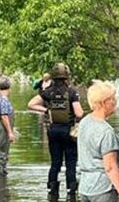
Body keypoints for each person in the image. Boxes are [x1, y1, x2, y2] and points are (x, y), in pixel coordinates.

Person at [28, 63, 84, 195]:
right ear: (67, 77)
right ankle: (71, 188)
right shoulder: (71, 92)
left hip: (53, 131)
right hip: (68, 132)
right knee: (70, 162)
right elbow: (79, 113)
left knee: (55, 162)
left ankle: (52, 188)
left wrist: (46, 110)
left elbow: (31, 104)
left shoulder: (48, 92)